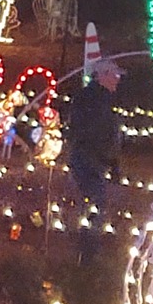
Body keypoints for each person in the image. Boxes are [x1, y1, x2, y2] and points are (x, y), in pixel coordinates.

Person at [65, 57, 122, 265]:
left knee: (94, 205)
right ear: (103, 76)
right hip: (88, 159)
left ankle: (88, 251)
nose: (117, 80)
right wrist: (105, 156)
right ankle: (87, 256)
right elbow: (94, 131)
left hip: (94, 159)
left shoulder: (100, 99)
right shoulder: (92, 99)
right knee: (93, 205)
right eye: (114, 76)